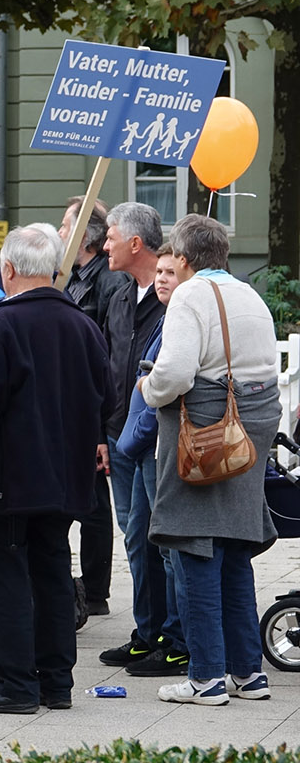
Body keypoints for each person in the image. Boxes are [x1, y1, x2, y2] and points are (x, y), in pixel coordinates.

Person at [0, 223, 115, 714]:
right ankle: (56, 681)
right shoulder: (82, 325)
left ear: (8, 270)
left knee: (9, 578)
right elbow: (110, 398)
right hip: (63, 479)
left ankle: (17, 683)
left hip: (4, 481)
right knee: (53, 572)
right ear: (55, 270)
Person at [140, 214, 282, 706]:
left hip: (202, 435)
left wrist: (147, 388)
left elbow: (175, 372)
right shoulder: (249, 294)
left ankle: (205, 678)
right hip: (249, 435)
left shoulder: (190, 295)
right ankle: (248, 673)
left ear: (182, 259)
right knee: (235, 553)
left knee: (194, 549)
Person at [97, 202, 177, 674]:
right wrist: (103, 433)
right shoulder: (120, 293)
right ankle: (147, 632)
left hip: (154, 439)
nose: (104, 244)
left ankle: (170, 634)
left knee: (159, 540)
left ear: (134, 242)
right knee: (134, 538)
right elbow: (112, 368)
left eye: (110, 236)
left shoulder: (172, 300)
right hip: (121, 437)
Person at [58, 196, 119, 616]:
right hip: (68, 403)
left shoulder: (109, 283)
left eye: (66, 226)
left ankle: (95, 591)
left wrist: (101, 428)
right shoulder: (72, 276)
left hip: (90, 408)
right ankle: (70, 582)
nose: (60, 233)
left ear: (87, 238)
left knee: (94, 505)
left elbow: (110, 356)